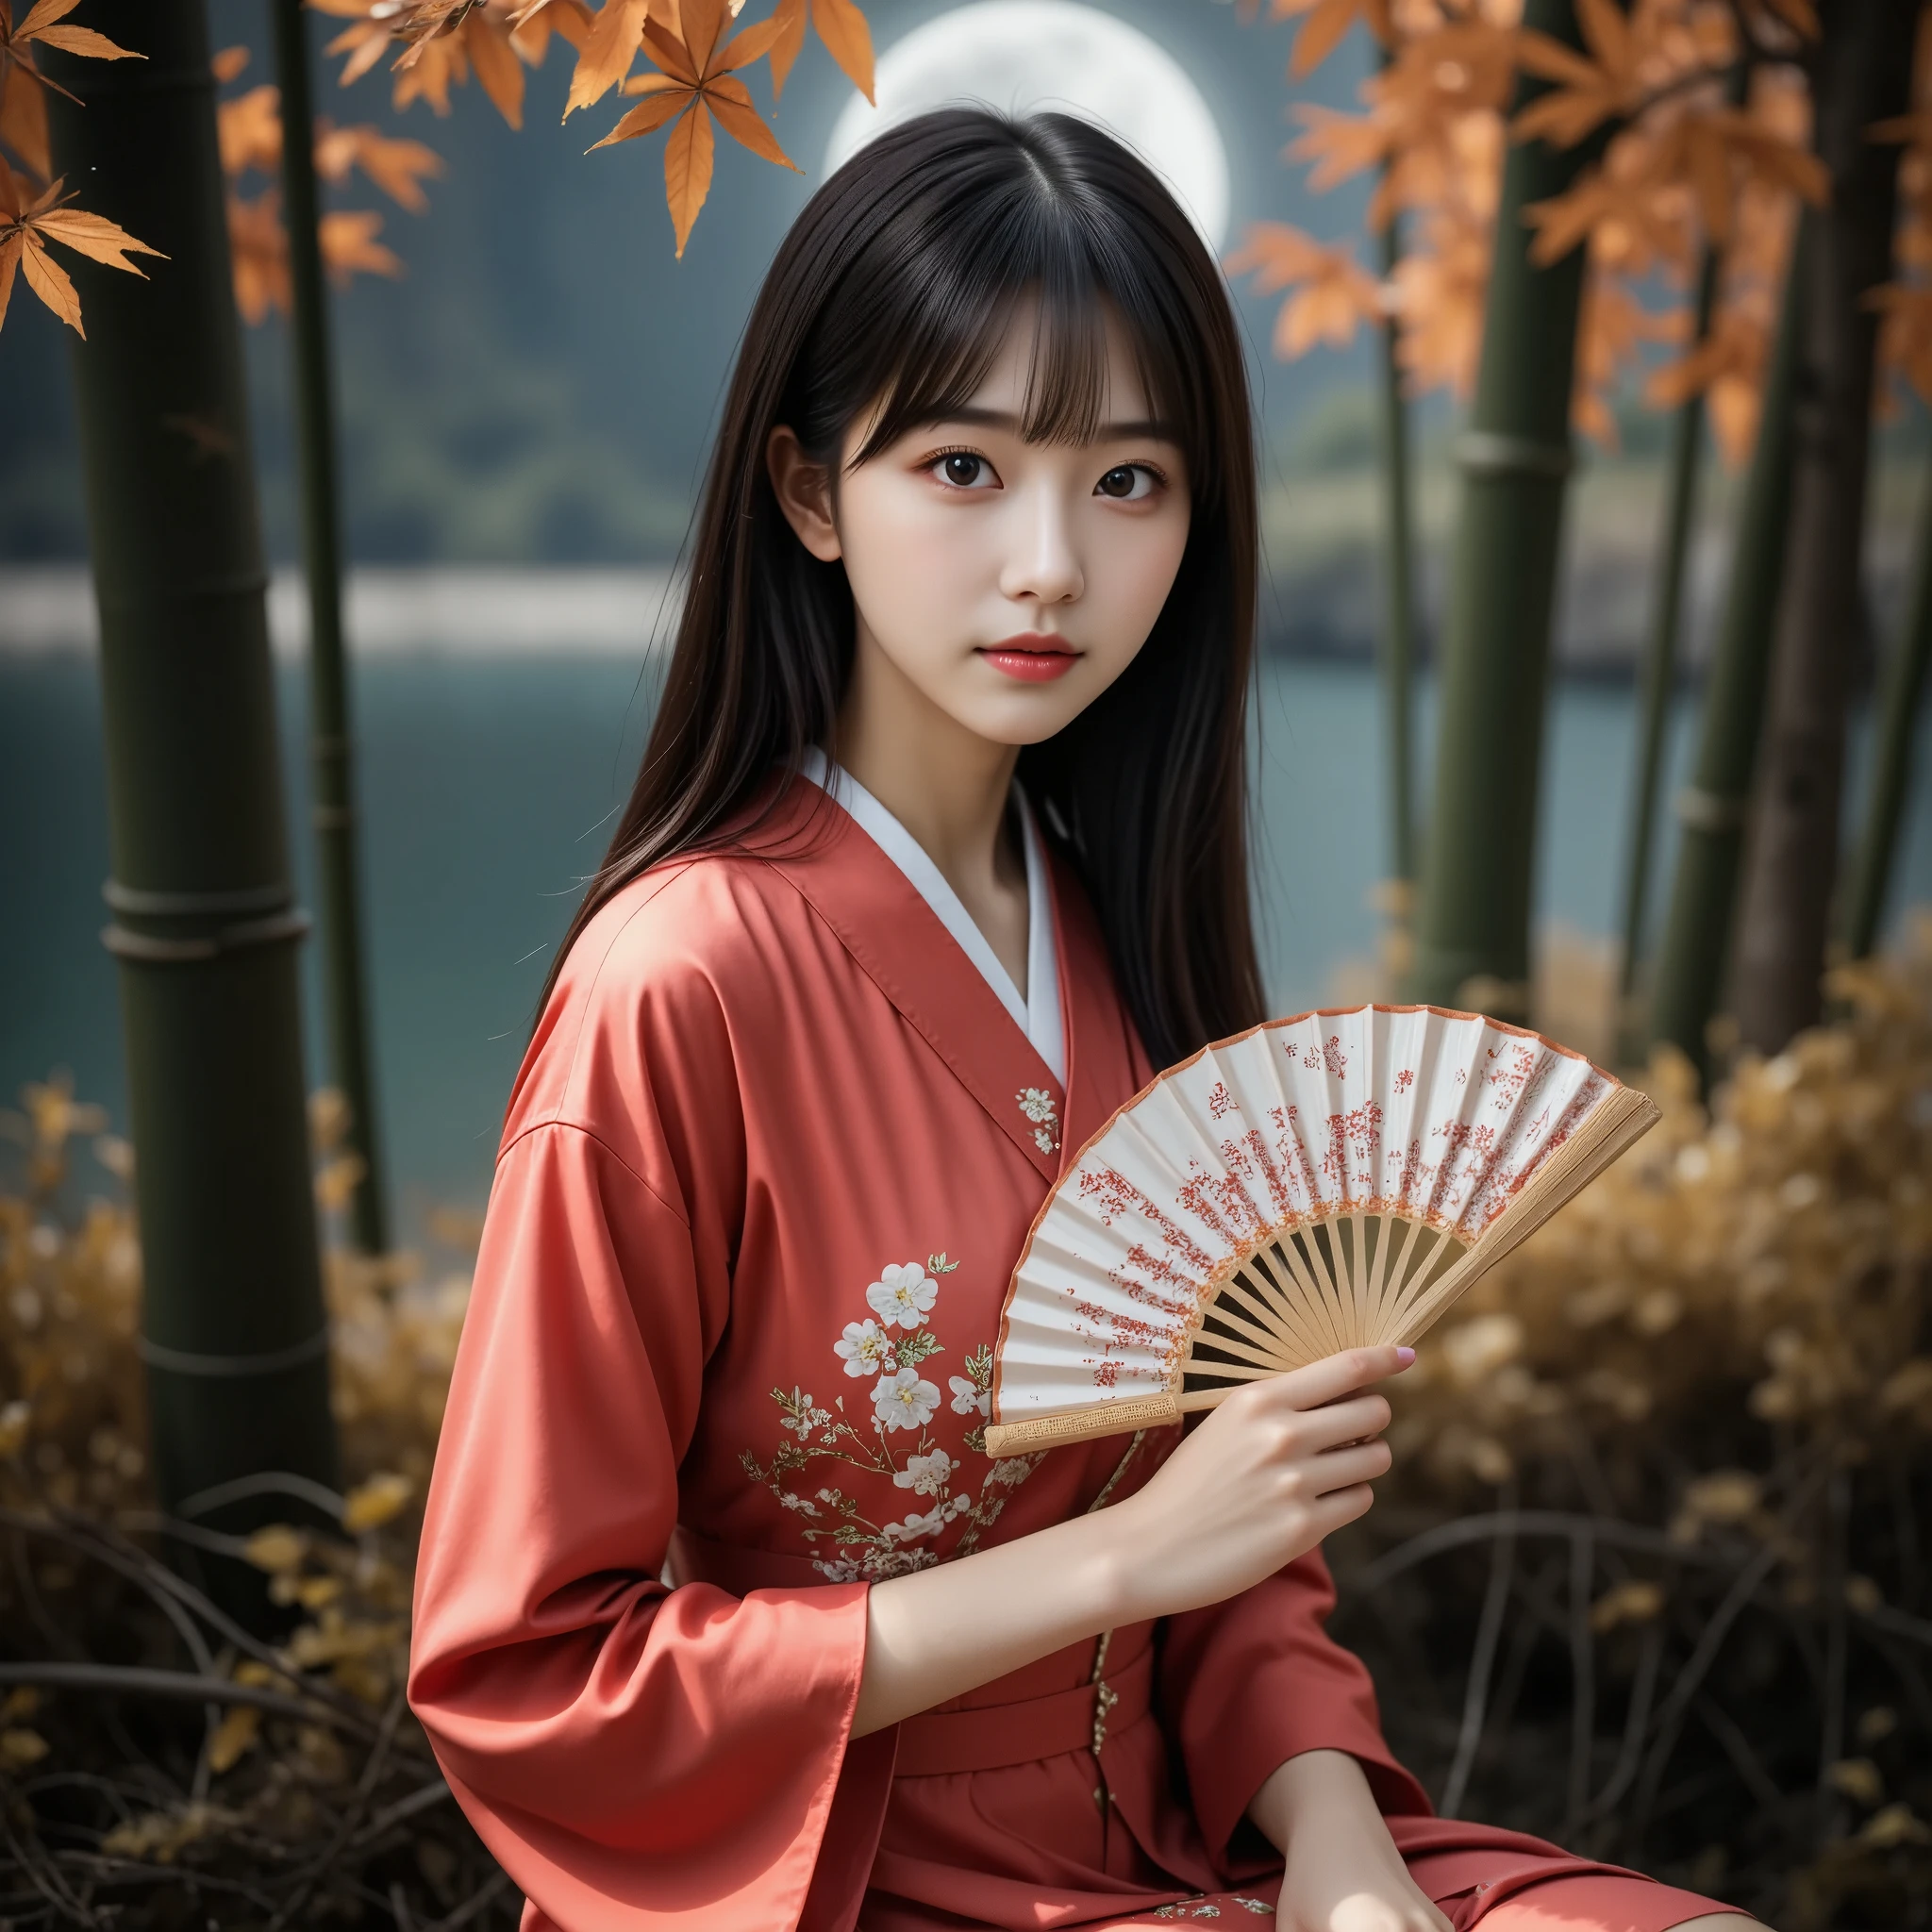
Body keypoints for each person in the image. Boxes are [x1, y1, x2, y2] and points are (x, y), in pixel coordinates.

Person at [406, 109, 1763, 1932]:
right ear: (809, 492)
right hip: (837, 1873)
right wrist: (1119, 1559)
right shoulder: (683, 985)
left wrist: (1346, 1859)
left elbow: (1245, 1561)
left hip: (1208, 1840)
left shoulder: (1127, 929)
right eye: (964, 467)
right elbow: (522, 1671)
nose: (1051, 563)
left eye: (1129, 481)